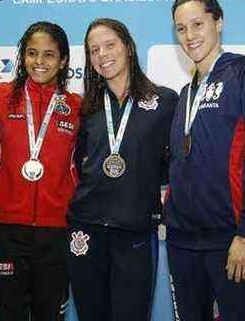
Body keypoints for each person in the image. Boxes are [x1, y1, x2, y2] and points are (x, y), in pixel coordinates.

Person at [164, 0, 245, 321]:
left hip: (230, 239)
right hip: (182, 241)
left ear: (219, 21)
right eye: (181, 28)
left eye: (198, 24)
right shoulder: (185, 95)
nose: (190, 36)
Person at [66, 18, 178, 321]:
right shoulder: (86, 106)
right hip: (86, 229)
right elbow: (77, 165)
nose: (102, 54)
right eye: (94, 50)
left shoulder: (165, 101)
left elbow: (173, 165)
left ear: (128, 47)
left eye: (110, 45)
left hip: (135, 231)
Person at [0, 21, 82, 321]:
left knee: (49, 314)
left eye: (49, 55)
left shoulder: (77, 106)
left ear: (63, 60)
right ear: (22, 56)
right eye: (32, 53)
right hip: (7, 228)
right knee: (7, 315)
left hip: (56, 231)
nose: (39, 62)